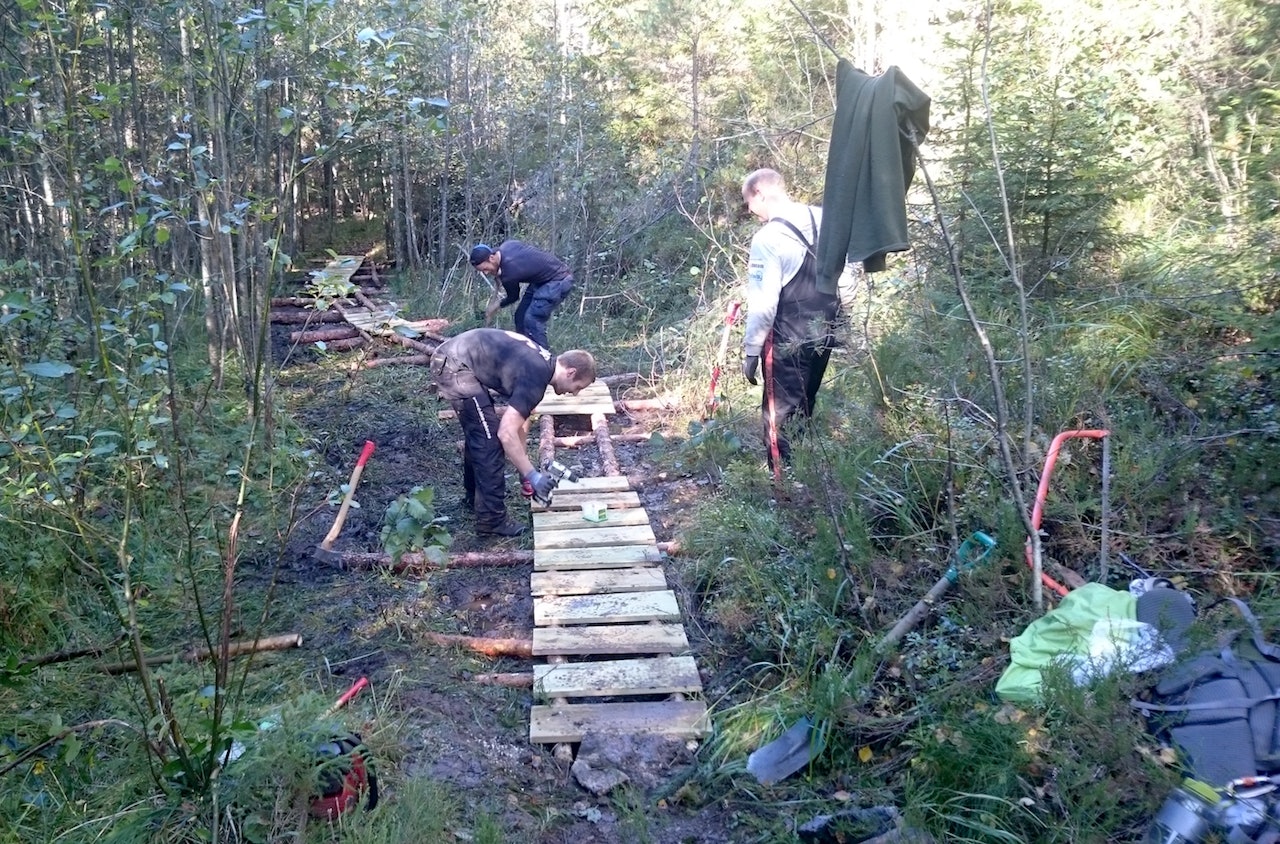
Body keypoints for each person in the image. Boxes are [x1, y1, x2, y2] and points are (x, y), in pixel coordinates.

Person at [430, 327, 596, 537]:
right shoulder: (536, 378)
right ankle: (491, 521)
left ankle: (474, 498)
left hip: (455, 358)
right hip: (452, 365)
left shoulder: (542, 364)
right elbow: (506, 433)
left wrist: (524, 471)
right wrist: (533, 475)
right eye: (578, 387)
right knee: (488, 441)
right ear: (571, 372)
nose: (574, 393)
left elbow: (520, 422)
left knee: (482, 432)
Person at [739, 168, 839, 470]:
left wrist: (751, 352)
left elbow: (763, 304)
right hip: (826, 328)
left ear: (759, 192)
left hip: (788, 336)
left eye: (748, 202)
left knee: (779, 411)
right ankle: (805, 475)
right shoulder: (825, 219)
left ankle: (783, 484)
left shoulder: (768, 237)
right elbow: (848, 272)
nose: (749, 210)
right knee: (806, 403)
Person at [469, 241, 575, 351]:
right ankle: (524, 352)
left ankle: (543, 359)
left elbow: (513, 297)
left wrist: (495, 306)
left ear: (491, 258)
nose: (486, 273)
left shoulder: (509, 273)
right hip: (540, 280)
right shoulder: (507, 245)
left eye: (485, 269)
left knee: (532, 319)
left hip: (558, 280)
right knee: (520, 316)